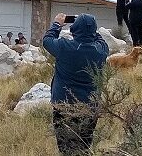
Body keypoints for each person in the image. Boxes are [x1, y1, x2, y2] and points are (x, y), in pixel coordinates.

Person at [42, 14, 109, 156]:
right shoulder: (101, 50)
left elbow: (47, 41)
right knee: (84, 146)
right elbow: (98, 38)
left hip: (63, 104)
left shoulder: (64, 47)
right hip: (90, 106)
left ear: (73, 30)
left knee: (65, 147)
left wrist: (57, 25)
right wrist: (89, 28)